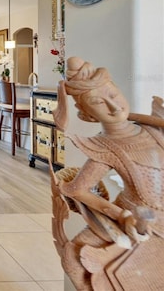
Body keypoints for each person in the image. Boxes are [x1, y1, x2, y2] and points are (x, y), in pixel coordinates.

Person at [51, 56, 164, 290]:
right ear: (88, 115)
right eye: (99, 103)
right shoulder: (105, 147)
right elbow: (75, 189)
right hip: (137, 217)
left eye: (113, 95)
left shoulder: (153, 131)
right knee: (74, 259)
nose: (113, 106)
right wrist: (121, 215)